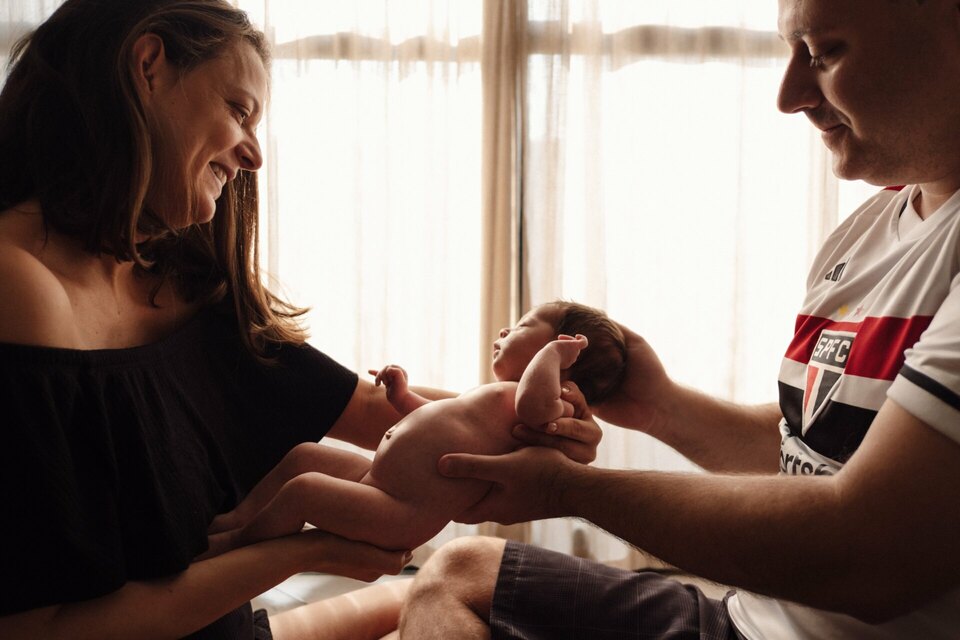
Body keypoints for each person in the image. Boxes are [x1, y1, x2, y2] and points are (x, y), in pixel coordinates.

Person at [0, 2, 602, 639]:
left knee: (469, 583)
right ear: (148, 65)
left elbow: (380, 413)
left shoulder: (178, 282)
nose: (254, 155)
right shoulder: (21, 287)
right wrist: (305, 549)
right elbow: (40, 629)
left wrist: (529, 423)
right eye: (239, 110)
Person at [397, 0, 960, 638]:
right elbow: (812, 455)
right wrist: (659, 406)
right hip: (747, 621)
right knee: (459, 575)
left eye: (825, 52)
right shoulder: (869, 230)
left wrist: (567, 491)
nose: (790, 94)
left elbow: (873, 553)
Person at [203, 301, 627, 555]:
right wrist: (403, 398)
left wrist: (552, 357)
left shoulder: (537, 404)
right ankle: (239, 518)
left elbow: (537, 410)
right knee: (304, 457)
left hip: (400, 512)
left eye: (522, 327)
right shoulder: (493, 400)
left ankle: (239, 546)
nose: (505, 329)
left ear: (565, 352)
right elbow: (432, 422)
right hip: (380, 483)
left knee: (305, 491)